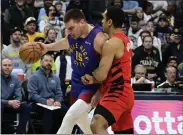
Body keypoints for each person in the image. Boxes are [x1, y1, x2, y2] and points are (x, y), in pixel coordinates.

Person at [38, 9, 107, 134]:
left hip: (91, 84)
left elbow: (108, 66)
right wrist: (47, 47)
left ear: (82, 22)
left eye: (71, 28)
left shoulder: (98, 38)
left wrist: (100, 90)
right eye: (67, 29)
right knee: (81, 121)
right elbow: (66, 42)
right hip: (76, 83)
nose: (68, 32)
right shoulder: (72, 35)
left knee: (70, 117)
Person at [81, 7, 134, 134]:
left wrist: (91, 75)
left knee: (97, 124)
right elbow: (113, 72)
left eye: (104, 19)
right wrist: (99, 90)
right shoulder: (125, 40)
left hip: (117, 93)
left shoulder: (112, 43)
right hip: (125, 92)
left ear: (110, 22)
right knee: (124, 132)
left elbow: (101, 74)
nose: (101, 22)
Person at [1, 58, 31, 134]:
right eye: (5, 65)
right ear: (0, 66)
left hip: (12, 103)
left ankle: (20, 132)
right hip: (2, 103)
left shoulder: (16, 79)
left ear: (12, 67)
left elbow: (19, 95)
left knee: (26, 107)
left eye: (9, 65)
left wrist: (16, 102)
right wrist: (8, 102)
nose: (7, 67)